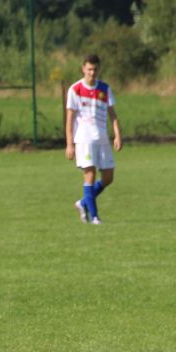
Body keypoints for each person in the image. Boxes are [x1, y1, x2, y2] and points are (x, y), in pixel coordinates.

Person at [65, 54, 122, 225]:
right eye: (89, 69)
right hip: (84, 139)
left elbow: (112, 115)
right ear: (83, 68)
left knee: (108, 177)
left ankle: (83, 203)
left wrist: (117, 135)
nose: (92, 72)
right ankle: (95, 217)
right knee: (89, 174)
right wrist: (69, 144)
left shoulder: (104, 88)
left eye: (95, 69)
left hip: (102, 138)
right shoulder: (75, 89)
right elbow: (69, 119)